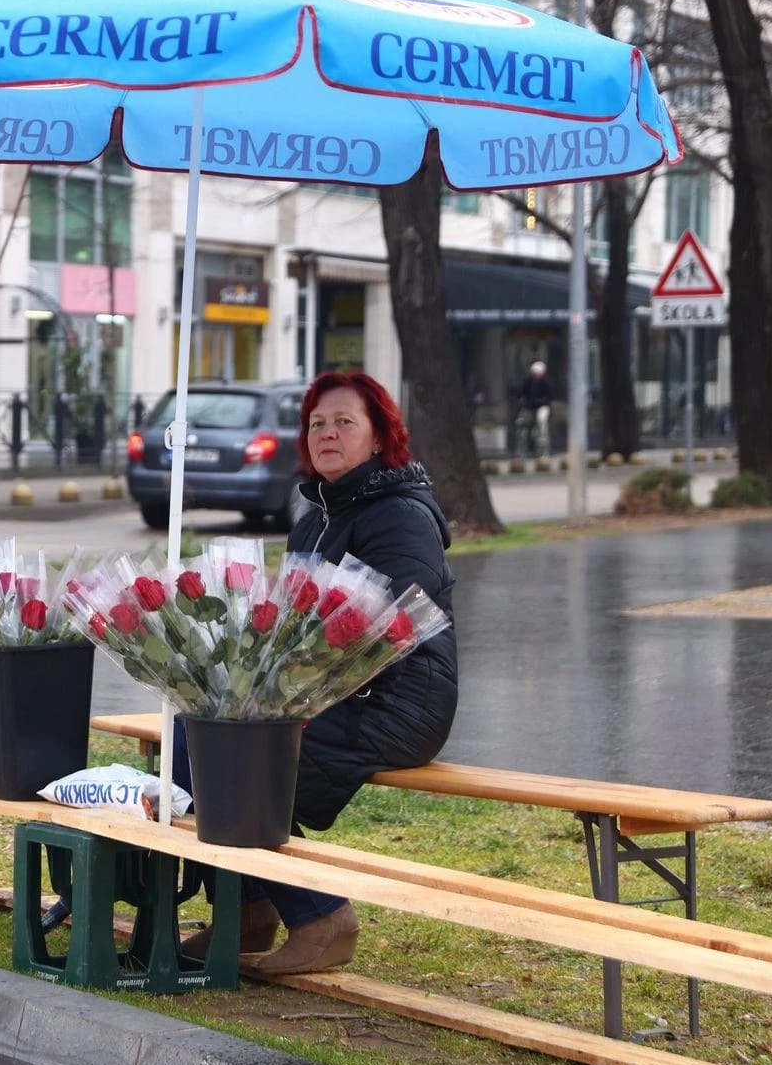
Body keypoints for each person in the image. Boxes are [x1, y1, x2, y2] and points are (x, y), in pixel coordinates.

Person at [178, 371, 455, 974]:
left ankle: (323, 917)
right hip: (322, 695)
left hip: (396, 700)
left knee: (237, 760)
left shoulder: (400, 515)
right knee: (198, 732)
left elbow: (390, 627)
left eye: (345, 422)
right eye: (317, 423)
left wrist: (287, 697)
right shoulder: (316, 515)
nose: (328, 433)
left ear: (380, 437)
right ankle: (248, 909)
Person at [520, 360, 554, 457]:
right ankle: (523, 448)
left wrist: (541, 401)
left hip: (542, 406)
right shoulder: (527, 381)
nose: (536, 375)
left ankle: (544, 449)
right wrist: (524, 401)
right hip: (529, 407)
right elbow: (522, 393)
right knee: (522, 423)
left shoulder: (547, 382)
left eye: (538, 373)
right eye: (534, 373)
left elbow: (550, 395)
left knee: (542, 421)